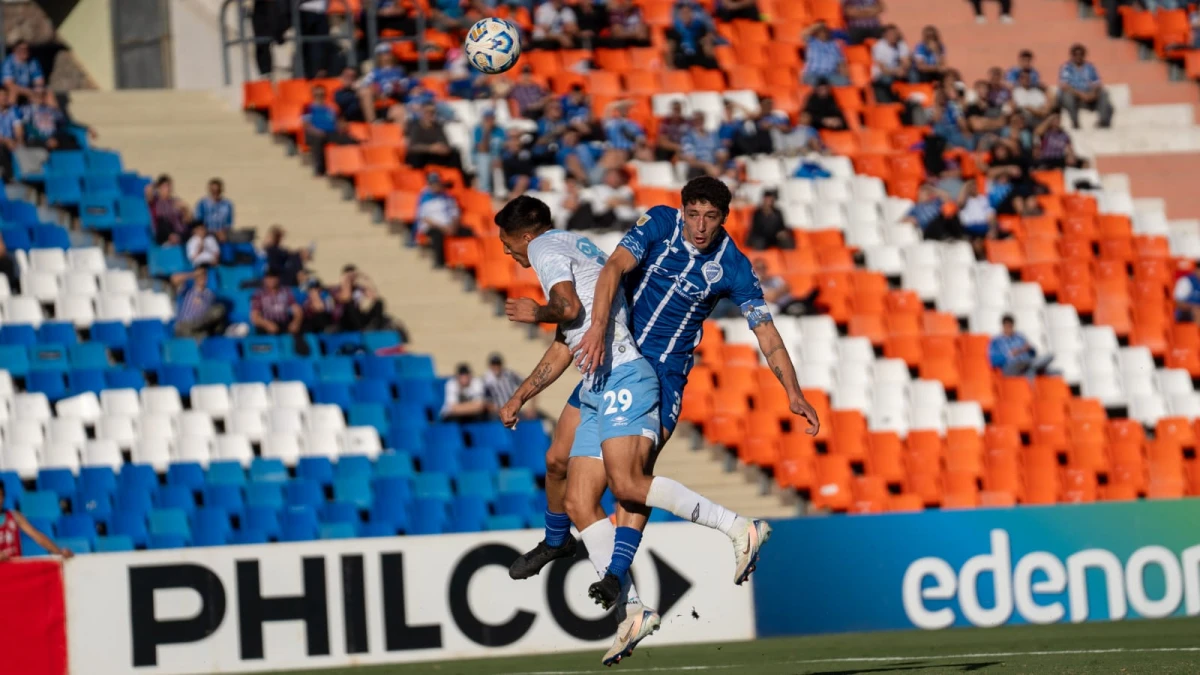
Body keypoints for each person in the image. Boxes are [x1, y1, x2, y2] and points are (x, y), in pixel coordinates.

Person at [505, 180, 817, 624]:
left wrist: (793, 392)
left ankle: (642, 574)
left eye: (710, 217)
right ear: (683, 210)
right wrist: (592, 332)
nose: (700, 226)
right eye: (693, 214)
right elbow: (613, 267)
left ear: (725, 218)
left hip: (660, 376)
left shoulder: (734, 267)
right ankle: (608, 586)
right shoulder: (660, 222)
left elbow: (765, 333)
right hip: (611, 354)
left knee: (629, 482)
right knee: (561, 469)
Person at [494, 196, 665, 665]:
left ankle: (729, 529)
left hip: (615, 375)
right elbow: (567, 341)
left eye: (508, 244)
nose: (508, 254)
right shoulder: (574, 243)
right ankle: (557, 541)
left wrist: (537, 312)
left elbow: (565, 310)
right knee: (556, 463)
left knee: (603, 490)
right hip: (595, 373)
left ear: (525, 235)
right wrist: (519, 396)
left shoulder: (547, 252)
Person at [0, 482, 73, 560]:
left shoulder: (15, 517)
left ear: (3, 497)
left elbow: (37, 536)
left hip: (14, 568)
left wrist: (59, 552)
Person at [416, 172, 470, 268]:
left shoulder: (447, 197)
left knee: (467, 232)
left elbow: (455, 213)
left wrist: (453, 225)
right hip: (434, 226)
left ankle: (466, 259)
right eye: (434, 184)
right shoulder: (425, 198)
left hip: (449, 225)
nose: (436, 186)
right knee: (437, 235)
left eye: (438, 183)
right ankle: (439, 262)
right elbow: (425, 218)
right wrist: (442, 227)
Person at [1058, 44, 1113, 130]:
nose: (1078, 57)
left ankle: (1103, 122)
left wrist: (1093, 93)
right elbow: (1064, 85)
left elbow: (1097, 82)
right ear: (1072, 55)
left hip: (1089, 95)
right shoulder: (1067, 67)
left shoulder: (1090, 67)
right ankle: (1075, 123)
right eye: (1076, 54)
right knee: (1067, 96)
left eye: (1081, 54)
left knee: (1104, 94)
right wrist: (1081, 95)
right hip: (1075, 96)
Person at [989, 315, 1055, 378]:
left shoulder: (1020, 337)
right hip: (1010, 367)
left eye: (1011, 326)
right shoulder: (996, 341)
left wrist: (1030, 349)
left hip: (1027, 362)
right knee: (1022, 363)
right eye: (1007, 326)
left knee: (1050, 356)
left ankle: (1032, 368)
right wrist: (1009, 355)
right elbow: (993, 360)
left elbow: (1033, 353)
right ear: (1003, 326)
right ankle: (1032, 368)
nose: (1009, 329)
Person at [174, 266, 227, 338]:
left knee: (219, 310)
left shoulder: (210, 295)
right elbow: (174, 279)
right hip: (185, 325)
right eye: (199, 276)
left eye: (204, 275)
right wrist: (193, 274)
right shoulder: (187, 290)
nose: (202, 278)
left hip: (200, 327)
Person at [333, 264, 388, 331]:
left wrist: (365, 278)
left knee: (379, 302)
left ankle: (377, 326)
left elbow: (374, 296)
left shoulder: (359, 289)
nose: (352, 278)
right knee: (350, 304)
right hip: (344, 318)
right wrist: (347, 281)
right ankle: (359, 329)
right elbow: (346, 298)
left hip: (358, 316)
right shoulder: (336, 289)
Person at [250, 270, 304, 338]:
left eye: (274, 278)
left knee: (299, 331)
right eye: (269, 278)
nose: (271, 280)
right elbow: (255, 317)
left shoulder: (286, 291)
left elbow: (297, 310)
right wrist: (267, 324)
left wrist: (296, 323)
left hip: (284, 323)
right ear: (264, 279)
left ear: (278, 279)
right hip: (267, 323)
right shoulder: (258, 294)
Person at [482, 352, 530, 419]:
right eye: (494, 364)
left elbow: (528, 384)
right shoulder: (485, 380)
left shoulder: (509, 374)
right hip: (496, 413)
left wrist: (531, 407)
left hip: (513, 410)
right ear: (490, 366)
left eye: (498, 364)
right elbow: (486, 401)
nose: (496, 367)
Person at [801, 21, 849, 86]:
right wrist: (819, 25)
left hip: (830, 75)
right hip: (813, 74)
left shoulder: (835, 45)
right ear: (816, 34)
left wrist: (845, 75)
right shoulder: (812, 42)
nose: (824, 33)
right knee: (817, 83)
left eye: (826, 31)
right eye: (821, 31)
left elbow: (841, 63)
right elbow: (803, 34)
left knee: (845, 82)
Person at [148, 175, 190, 245]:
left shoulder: (176, 201)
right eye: (165, 186)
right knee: (163, 221)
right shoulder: (155, 201)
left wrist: (186, 210)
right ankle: (171, 239)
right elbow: (148, 191)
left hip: (179, 232)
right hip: (163, 233)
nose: (169, 189)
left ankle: (176, 239)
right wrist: (155, 185)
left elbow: (187, 221)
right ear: (159, 188)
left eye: (169, 186)